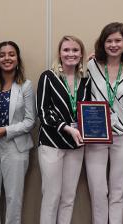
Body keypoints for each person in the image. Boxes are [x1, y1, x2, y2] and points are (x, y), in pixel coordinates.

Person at [84, 22, 123, 224]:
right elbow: (81, 96)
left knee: (118, 191)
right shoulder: (91, 66)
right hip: (96, 135)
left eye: (118, 40)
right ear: (102, 43)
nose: (114, 45)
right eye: (109, 41)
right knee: (98, 191)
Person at [0, 41, 36, 224]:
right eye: (2, 54)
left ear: (17, 59)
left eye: (11, 54)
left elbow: (30, 121)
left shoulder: (26, 86)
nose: (7, 58)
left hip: (15, 147)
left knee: (13, 198)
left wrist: (6, 130)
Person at [37, 35, 90, 224]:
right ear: (59, 53)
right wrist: (66, 128)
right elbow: (43, 113)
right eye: (66, 50)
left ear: (81, 53)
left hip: (77, 145)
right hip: (52, 144)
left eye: (75, 50)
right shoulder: (48, 77)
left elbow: (91, 110)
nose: (70, 54)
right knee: (51, 197)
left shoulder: (85, 79)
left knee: (68, 198)